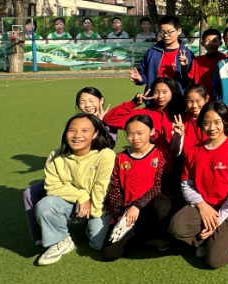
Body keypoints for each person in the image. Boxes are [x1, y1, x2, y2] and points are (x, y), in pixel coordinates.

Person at [24, 87, 115, 247]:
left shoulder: (107, 126)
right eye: (82, 101)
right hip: (72, 178)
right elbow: (55, 177)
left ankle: (91, 223)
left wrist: (102, 123)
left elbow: (107, 147)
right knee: (30, 194)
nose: (87, 105)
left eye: (91, 100)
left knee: (98, 243)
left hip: (93, 175)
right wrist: (81, 195)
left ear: (101, 101)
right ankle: (43, 235)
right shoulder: (75, 124)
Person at [170, 101, 228, 269]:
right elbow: (186, 184)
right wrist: (201, 205)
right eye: (206, 123)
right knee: (177, 226)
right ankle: (208, 239)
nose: (212, 127)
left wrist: (218, 220)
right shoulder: (193, 151)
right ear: (201, 125)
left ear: (225, 122)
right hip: (204, 206)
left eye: (217, 122)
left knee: (215, 261)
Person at [34, 114, 115, 265]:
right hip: (73, 204)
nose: (77, 135)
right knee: (45, 205)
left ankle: (88, 227)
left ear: (95, 134)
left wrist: (94, 217)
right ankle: (61, 240)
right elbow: (52, 186)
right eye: (72, 130)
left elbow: (101, 187)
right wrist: (81, 196)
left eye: (85, 131)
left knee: (97, 244)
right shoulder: (55, 156)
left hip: (100, 206)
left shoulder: (105, 155)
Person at [102, 115, 173, 260]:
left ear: (152, 132)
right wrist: (119, 214)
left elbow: (159, 186)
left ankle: (156, 234)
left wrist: (137, 206)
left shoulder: (161, 154)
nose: (135, 138)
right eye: (130, 133)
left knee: (162, 206)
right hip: (128, 211)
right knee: (110, 254)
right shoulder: (120, 158)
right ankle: (144, 236)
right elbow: (115, 189)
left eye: (140, 133)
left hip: (149, 207)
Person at [104, 77, 184, 154]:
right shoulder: (144, 113)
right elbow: (110, 120)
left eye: (164, 92)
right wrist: (133, 103)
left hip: (179, 161)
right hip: (149, 159)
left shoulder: (182, 114)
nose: (160, 96)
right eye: (156, 92)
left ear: (173, 92)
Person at [128, 16, 194, 93]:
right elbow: (144, 74)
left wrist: (184, 68)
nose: (165, 35)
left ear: (179, 31)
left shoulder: (188, 54)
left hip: (178, 98)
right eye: (162, 32)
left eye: (169, 32)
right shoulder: (151, 52)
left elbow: (190, 81)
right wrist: (140, 79)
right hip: (155, 97)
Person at [183, 28, 227, 99]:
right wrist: (184, 66)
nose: (211, 44)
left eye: (214, 41)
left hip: (220, 98)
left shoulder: (226, 59)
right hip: (201, 99)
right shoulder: (197, 61)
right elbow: (189, 81)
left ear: (220, 43)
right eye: (207, 41)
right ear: (202, 43)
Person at [171, 84, 210, 157]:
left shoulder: (212, 119)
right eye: (190, 101)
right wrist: (178, 136)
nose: (194, 105)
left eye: (198, 101)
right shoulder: (181, 121)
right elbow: (174, 152)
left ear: (207, 99)